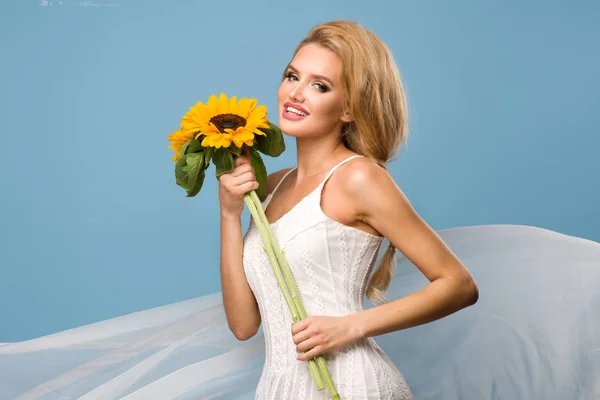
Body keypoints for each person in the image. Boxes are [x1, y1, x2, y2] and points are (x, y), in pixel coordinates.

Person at [218, 20, 479, 399]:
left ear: (349, 109)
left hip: (353, 386)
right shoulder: (271, 186)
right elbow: (243, 325)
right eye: (292, 76)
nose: (296, 94)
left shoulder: (358, 178)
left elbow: (459, 285)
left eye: (319, 86)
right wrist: (229, 214)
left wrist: (350, 327)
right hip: (280, 389)